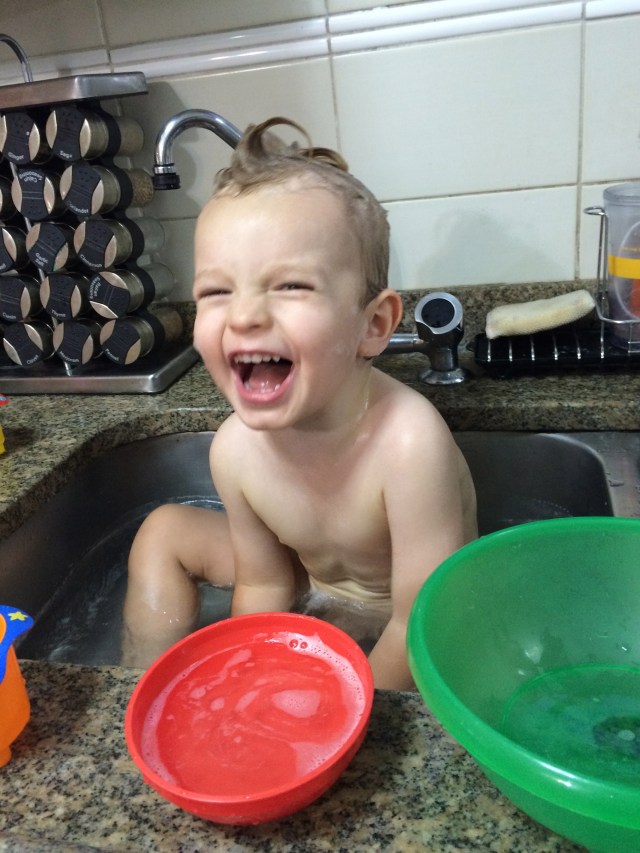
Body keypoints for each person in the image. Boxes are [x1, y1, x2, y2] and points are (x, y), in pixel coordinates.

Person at [121, 117, 477, 689]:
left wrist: (334, 716)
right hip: (316, 587)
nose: (244, 316)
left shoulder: (408, 443)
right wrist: (251, 680)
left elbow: (424, 623)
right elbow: (265, 587)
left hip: (408, 620)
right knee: (163, 530)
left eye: (290, 286)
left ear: (373, 324)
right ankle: (138, 686)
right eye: (216, 291)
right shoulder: (236, 449)